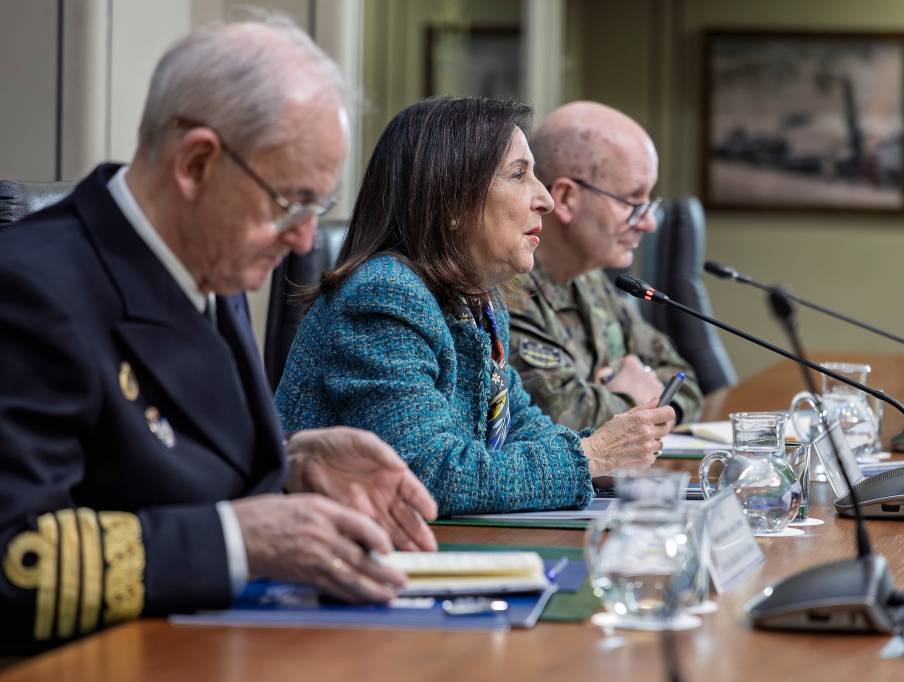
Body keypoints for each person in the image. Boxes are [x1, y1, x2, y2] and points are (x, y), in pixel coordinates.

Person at [0, 16, 437, 654]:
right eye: (290, 202)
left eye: (316, 207)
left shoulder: (210, 263)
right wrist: (240, 539)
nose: (305, 239)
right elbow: (16, 556)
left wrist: (293, 466)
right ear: (197, 163)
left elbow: (157, 469)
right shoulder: (31, 287)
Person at [275, 96, 676, 517]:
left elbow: (524, 430)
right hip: (335, 564)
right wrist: (592, 456)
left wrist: (606, 456)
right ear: (451, 201)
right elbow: (429, 475)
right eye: (520, 175)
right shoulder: (384, 296)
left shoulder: (480, 300)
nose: (545, 199)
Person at [504, 101, 704, 432]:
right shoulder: (506, 289)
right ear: (566, 198)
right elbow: (566, 421)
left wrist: (638, 387)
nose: (650, 223)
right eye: (632, 201)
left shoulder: (591, 281)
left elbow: (685, 380)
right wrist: (640, 395)